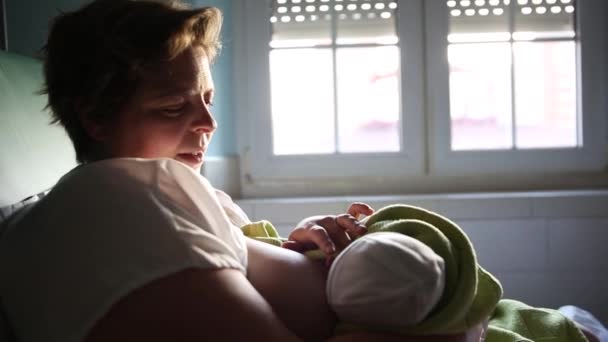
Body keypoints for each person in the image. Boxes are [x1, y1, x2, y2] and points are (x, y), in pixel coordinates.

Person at [0, 1, 486, 341]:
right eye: (173, 107)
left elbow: (238, 264)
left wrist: (295, 244)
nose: (209, 124)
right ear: (96, 118)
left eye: (207, 99)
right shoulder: (108, 202)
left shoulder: (160, 193)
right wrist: (462, 330)